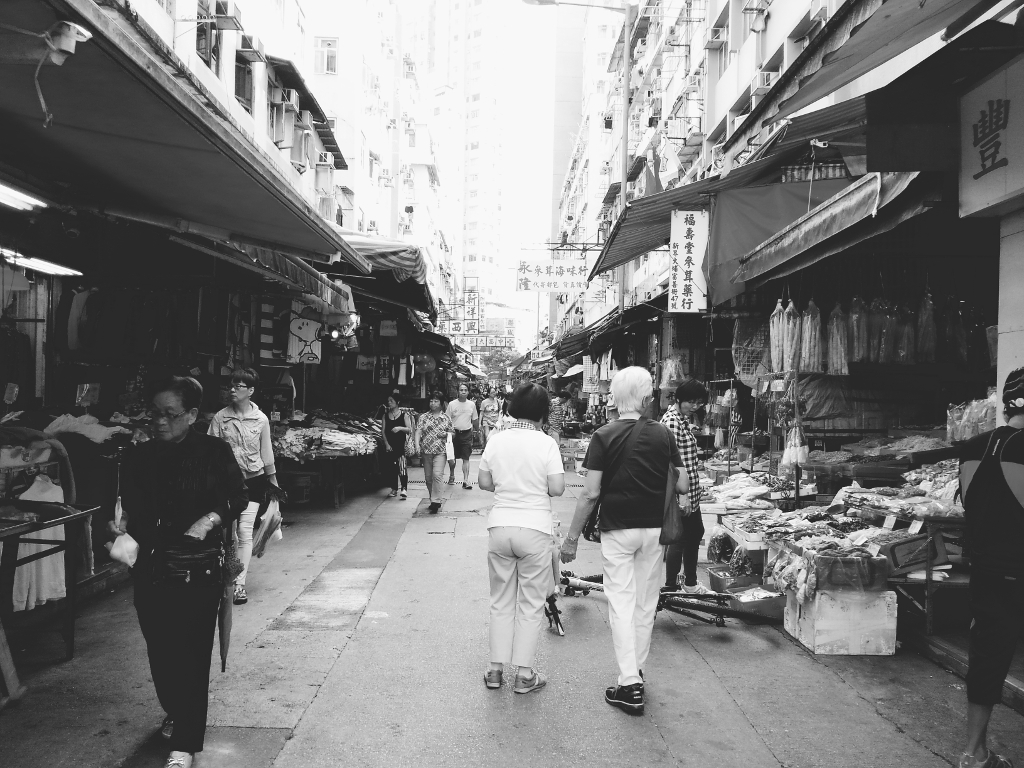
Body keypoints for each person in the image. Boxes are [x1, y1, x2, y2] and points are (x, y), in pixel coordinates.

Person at [114, 376, 248, 768]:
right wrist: (118, 529)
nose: (159, 421)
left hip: (197, 570)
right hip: (150, 568)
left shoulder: (214, 451)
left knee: (191, 654)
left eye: (170, 414)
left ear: (191, 415)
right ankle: (176, 709)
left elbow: (238, 496)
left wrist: (210, 518)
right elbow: (128, 508)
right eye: (154, 413)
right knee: (160, 650)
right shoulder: (140, 456)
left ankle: (186, 743)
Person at [560, 367, 687, 717]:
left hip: (618, 529)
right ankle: (636, 673)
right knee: (646, 604)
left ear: (614, 399)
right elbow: (683, 485)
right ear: (647, 399)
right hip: (654, 531)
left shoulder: (603, 435)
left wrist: (571, 538)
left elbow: (590, 493)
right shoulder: (663, 433)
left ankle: (630, 683)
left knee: (621, 602)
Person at [477, 383, 565, 694]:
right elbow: (556, 488)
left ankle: (494, 671)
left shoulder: (496, 440)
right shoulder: (546, 444)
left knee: (500, 602)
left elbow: (484, 482)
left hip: (500, 528)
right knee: (530, 604)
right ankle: (524, 674)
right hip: (534, 530)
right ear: (542, 413)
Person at [957, 367, 1024, 768]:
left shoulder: (973, 447)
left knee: (987, 656)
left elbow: (968, 503)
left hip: (984, 569)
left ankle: (973, 753)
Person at [207, 368, 278, 606]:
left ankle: (239, 585)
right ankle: (225, 575)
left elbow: (266, 453)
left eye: (239, 385)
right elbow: (211, 450)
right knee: (228, 535)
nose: (233, 389)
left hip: (254, 480)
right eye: (232, 385)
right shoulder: (220, 418)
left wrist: (274, 483)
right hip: (226, 484)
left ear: (251, 391)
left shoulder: (261, 419)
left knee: (244, 532)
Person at [660, 379, 712, 594]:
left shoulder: (682, 420)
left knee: (694, 533)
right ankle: (672, 585)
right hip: (682, 491)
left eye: (699, 403)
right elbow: (671, 461)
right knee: (680, 538)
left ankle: (689, 583)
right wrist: (683, 495)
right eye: (691, 402)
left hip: (690, 490)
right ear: (679, 399)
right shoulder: (672, 421)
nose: (695, 406)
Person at [415, 391, 452, 513]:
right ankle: (433, 498)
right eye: (431, 401)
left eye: (436, 401)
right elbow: (418, 432)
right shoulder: (423, 417)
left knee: (437, 475)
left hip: (440, 451)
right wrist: (416, 446)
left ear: (441, 403)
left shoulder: (446, 418)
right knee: (428, 478)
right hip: (426, 451)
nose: (433, 403)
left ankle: (436, 501)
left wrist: (446, 434)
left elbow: (453, 433)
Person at [380, 390, 414, 499]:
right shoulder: (385, 416)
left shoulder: (404, 415)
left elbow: (409, 430)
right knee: (391, 468)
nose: (389, 403)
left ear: (397, 402)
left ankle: (404, 488)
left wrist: (399, 428)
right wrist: (386, 444)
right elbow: (383, 431)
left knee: (402, 466)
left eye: (391, 401)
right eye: (388, 401)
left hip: (401, 445)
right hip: (390, 445)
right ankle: (394, 488)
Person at [446, 383, 479, 489]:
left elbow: (475, 419)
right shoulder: (451, 404)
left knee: (466, 457)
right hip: (454, 434)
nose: (463, 392)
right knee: (452, 457)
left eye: (465, 390)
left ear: (468, 392)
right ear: (458, 392)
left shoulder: (471, 405)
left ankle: (466, 480)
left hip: (467, 433)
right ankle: (452, 475)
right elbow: (446, 419)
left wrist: (477, 431)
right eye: (461, 390)